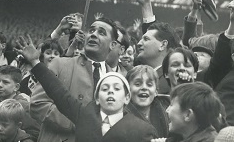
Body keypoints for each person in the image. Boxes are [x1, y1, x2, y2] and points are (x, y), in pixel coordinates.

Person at [16, 35, 156, 142]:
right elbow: (59, 93)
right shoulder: (85, 118)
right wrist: (35, 62)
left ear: (126, 97)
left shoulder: (141, 129)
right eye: (105, 88)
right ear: (96, 97)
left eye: (117, 88)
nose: (111, 91)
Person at [29, 17, 118, 142]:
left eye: (101, 32)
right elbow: (38, 103)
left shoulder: (116, 78)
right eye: (91, 31)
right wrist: (76, 122)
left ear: (112, 45)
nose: (93, 35)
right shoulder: (59, 64)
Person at [133, 0, 182, 94]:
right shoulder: (135, 72)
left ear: (163, 45)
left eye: (145, 39)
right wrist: (146, 5)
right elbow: (152, 33)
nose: (139, 43)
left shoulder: (174, 82)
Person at [0, 65, 40, 141]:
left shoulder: (24, 106)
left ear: (16, 87)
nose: (0, 85)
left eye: (5, 82)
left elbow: (35, 133)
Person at [125, 65, 170, 138]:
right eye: (137, 84)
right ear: (128, 90)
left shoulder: (168, 109)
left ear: (156, 92)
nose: (144, 87)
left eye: (149, 85)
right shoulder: (120, 115)